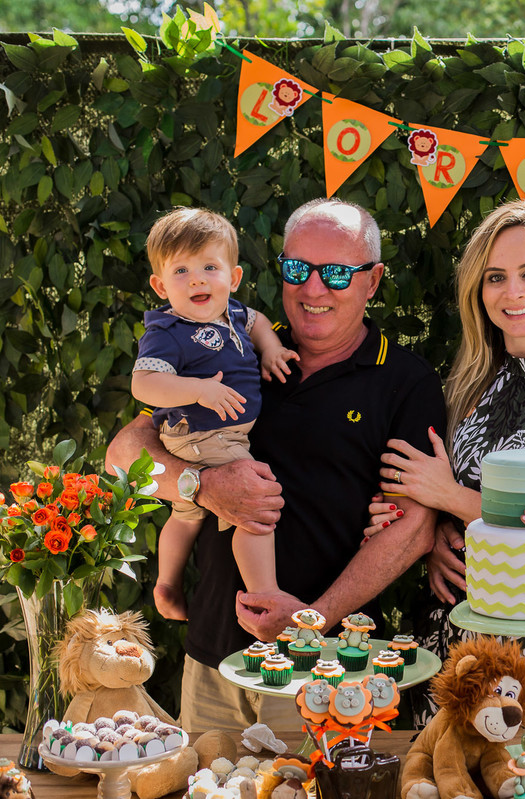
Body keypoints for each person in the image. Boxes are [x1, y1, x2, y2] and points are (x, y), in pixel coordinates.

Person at [107, 199, 446, 733]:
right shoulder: (238, 351)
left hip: (332, 667)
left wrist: (313, 619)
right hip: (215, 656)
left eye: (336, 273)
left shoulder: (404, 381)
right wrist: (200, 485)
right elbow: (123, 456)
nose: (313, 290)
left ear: (374, 280)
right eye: (297, 269)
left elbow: (414, 529)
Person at [364, 199, 525, 669]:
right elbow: (446, 493)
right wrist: (436, 535)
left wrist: (449, 497)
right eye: (495, 277)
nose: (513, 292)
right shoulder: (470, 377)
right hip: (454, 624)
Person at [132, 208, 298, 621]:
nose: (198, 279)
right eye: (182, 271)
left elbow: (258, 321)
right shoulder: (168, 332)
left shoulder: (235, 314)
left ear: (234, 277)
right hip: (203, 433)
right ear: (160, 285)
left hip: (218, 434)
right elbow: (143, 383)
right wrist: (199, 390)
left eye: (210, 266)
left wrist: (272, 348)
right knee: (255, 504)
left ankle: (167, 583)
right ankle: (266, 593)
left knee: (186, 514)